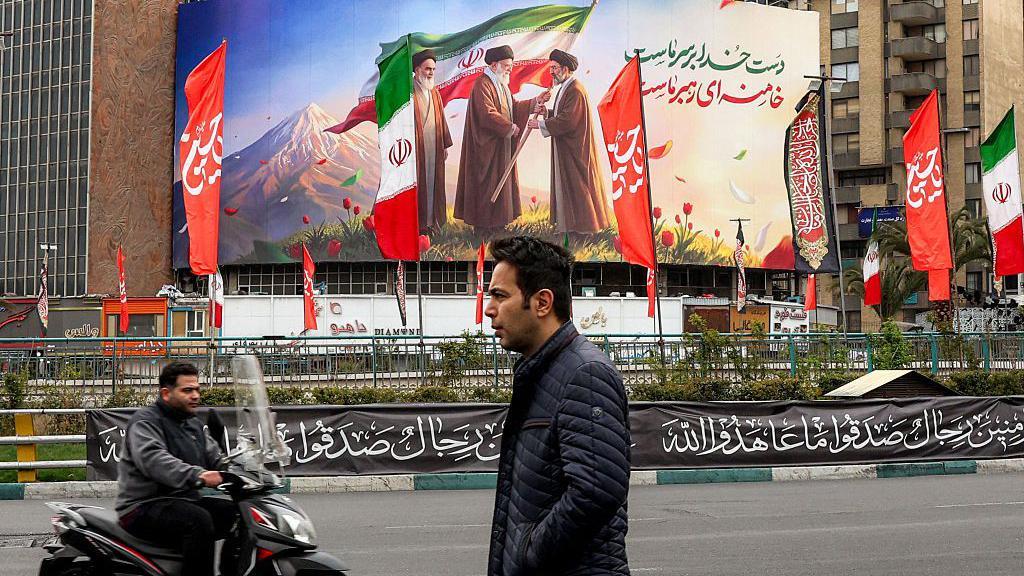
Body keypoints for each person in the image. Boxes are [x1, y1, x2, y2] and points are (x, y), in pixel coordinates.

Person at [483, 236, 631, 575]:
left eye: (500, 295)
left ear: (542, 303)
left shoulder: (585, 373)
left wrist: (529, 555)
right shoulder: (541, 371)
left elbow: (596, 490)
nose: (489, 309)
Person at [115, 362, 234, 576]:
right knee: (198, 521)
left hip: (182, 500)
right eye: (187, 390)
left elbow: (215, 457)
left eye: (197, 389)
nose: (195, 395)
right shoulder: (146, 422)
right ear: (166, 393)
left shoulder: (193, 424)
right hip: (143, 505)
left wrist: (237, 470)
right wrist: (198, 475)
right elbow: (155, 460)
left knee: (238, 514)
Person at [454, 45, 550, 234]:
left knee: (500, 183)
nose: (509, 69)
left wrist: (534, 103)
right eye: (506, 65)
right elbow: (487, 114)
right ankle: (483, 228)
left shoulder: (500, 84)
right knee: (486, 184)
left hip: (500, 146)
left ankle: (498, 224)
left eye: (510, 65)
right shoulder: (482, 84)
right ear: (494, 64)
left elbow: (513, 107)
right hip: (486, 148)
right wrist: (509, 127)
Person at [528, 49, 611, 235]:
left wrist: (539, 123)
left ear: (565, 69)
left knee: (578, 187)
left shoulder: (575, 90)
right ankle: (572, 227)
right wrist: (546, 113)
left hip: (575, 151)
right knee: (570, 186)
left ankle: (583, 230)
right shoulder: (567, 87)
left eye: (555, 68)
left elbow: (568, 120)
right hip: (568, 148)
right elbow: (562, 115)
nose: (551, 72)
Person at [412, 49, 454, 233]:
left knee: (433, 184)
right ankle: (418, 225)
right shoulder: (408, 93)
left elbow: (441, 118)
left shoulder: (434, 92)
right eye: (427, 68)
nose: (430, 73)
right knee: (418, 185)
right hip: (417, 148)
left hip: (434, 147)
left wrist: (444, 143)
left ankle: (431, 223)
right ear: (416, 69)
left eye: (433, 69)